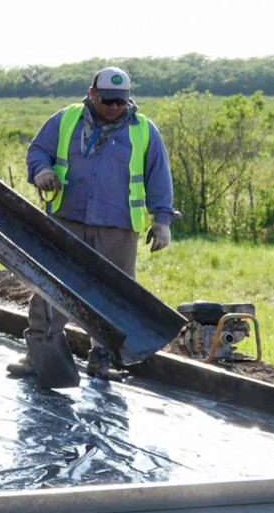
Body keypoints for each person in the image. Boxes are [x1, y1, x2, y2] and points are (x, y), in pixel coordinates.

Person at [9, 66, 175, 382]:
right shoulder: (66, 119)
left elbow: (159, 176)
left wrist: (162, 220)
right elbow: (38, 150)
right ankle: (39, 353)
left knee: (113, 297)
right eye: (107, 100)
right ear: (91, 94)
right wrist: (41, 171)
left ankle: (101, 358)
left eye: (120, 101)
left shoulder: (143, 130)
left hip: (118, 227)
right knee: (51, 289)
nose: (114, 107)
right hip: (67, 220)